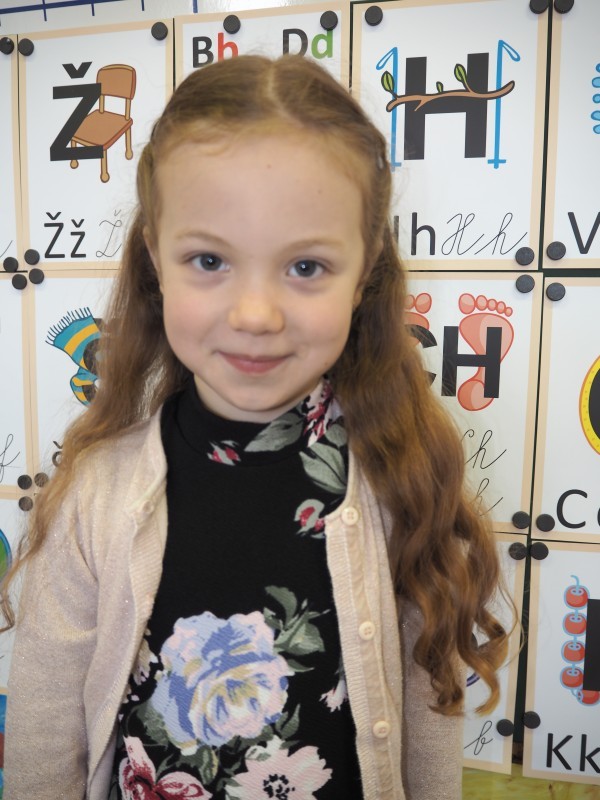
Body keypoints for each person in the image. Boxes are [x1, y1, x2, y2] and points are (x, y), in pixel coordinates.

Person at [2, 55, 509, 800]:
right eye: (209, 259)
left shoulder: (402, 478)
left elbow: (430, 723)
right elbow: (44, 740)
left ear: (365, 269)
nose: (255, 315)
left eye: (306, 267)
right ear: (155, 258)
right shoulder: (93, 494)